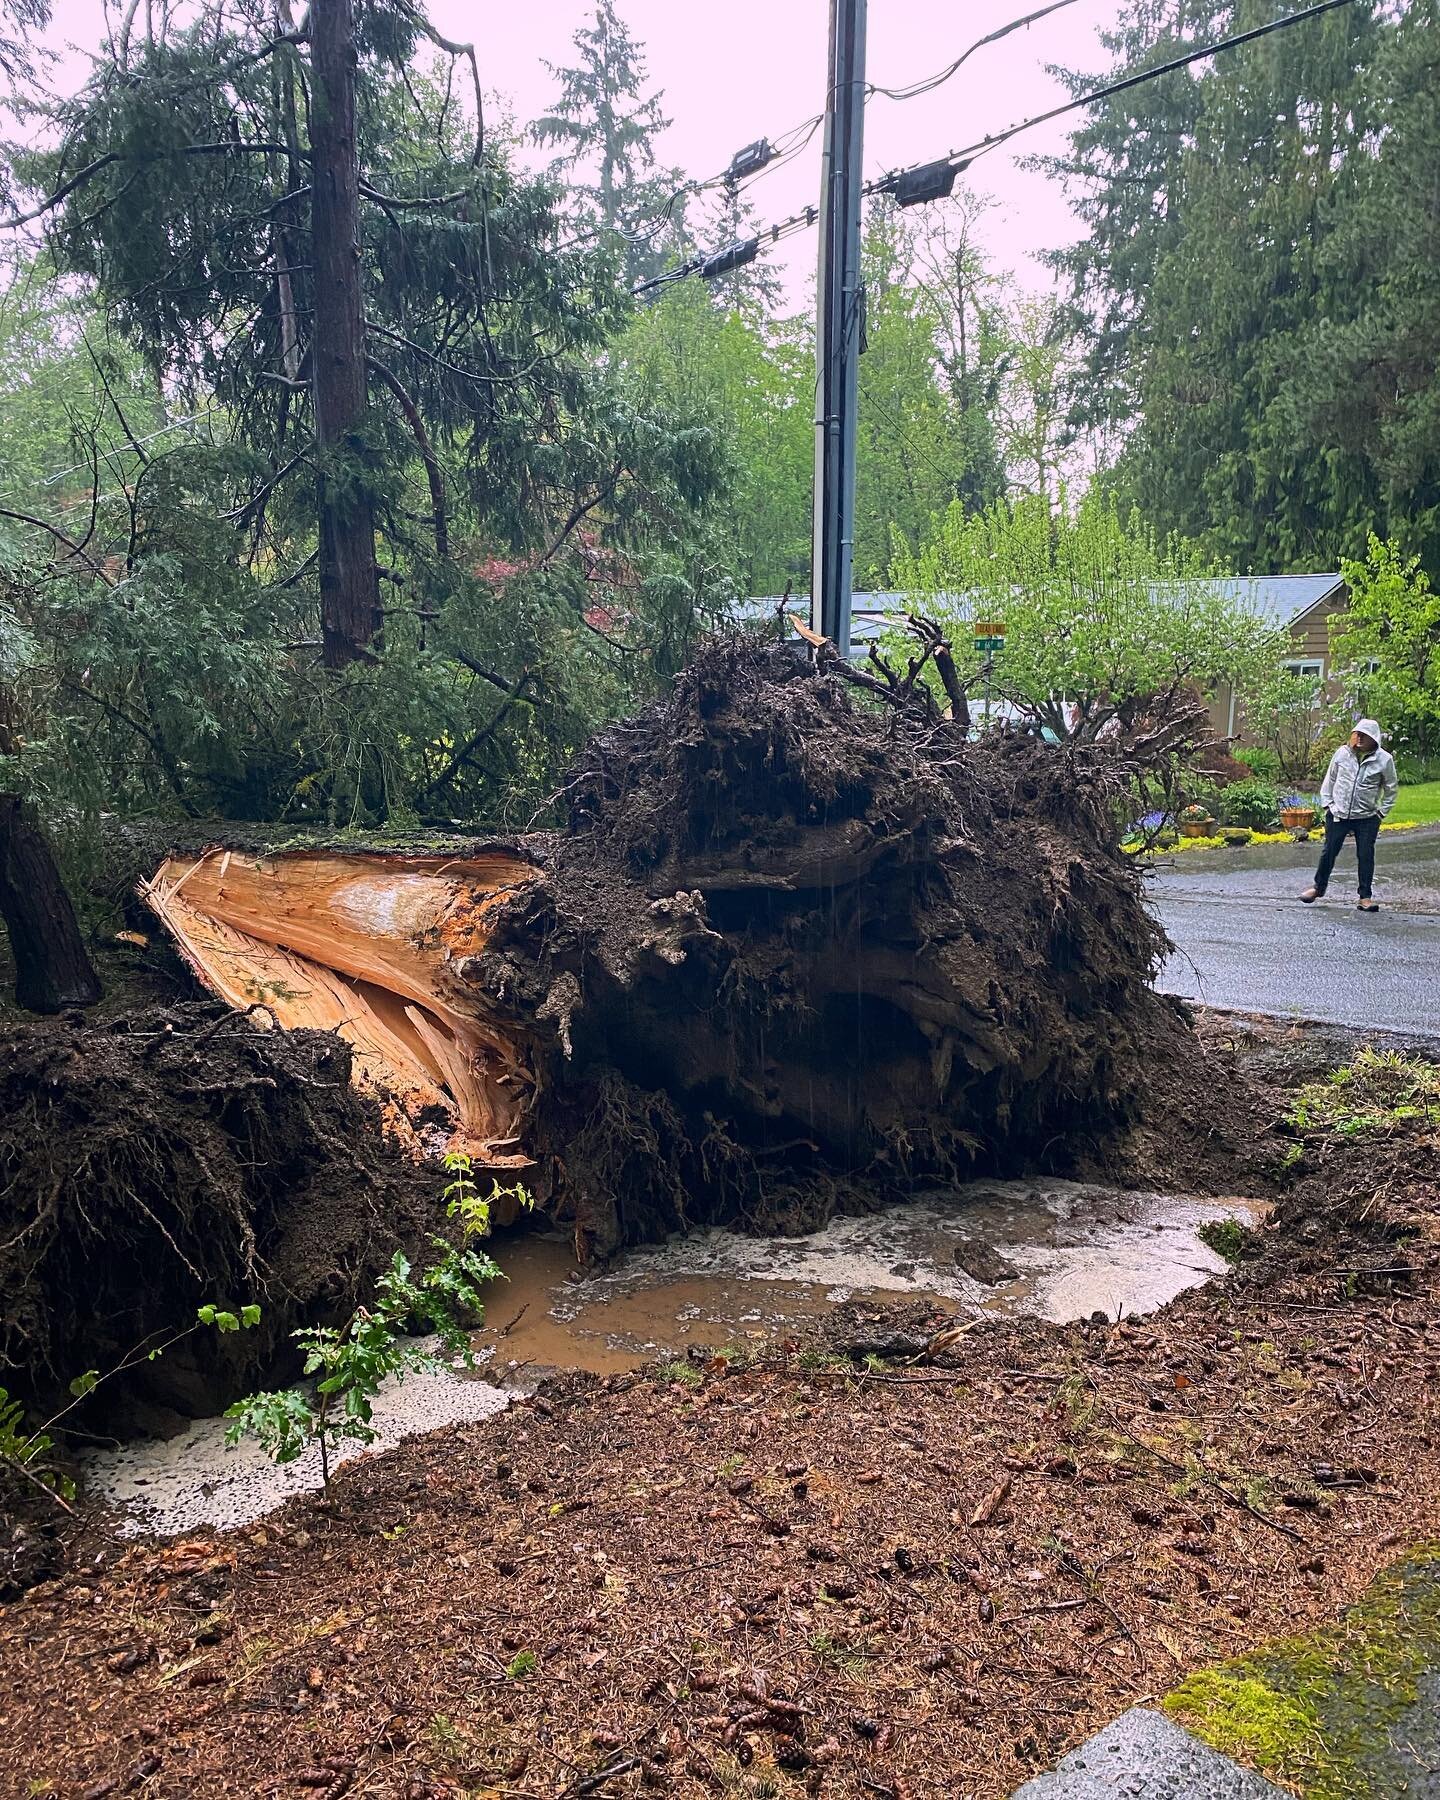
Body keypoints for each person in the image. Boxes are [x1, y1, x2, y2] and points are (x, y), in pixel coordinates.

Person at [1299, 718, 1399, 911]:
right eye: (1357, 734)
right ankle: (1318, 888)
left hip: (1367, 818)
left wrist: (1381, 813)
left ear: (1374, 738)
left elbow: (1391, 789)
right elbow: (1330, 779)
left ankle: (1365, 897)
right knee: (1329, 852)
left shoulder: (1384, 759)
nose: (1359, 738)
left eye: (1364, 735)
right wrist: (1327, 805)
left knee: (1365, 855)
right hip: (1338, 814)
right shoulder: (1342, 754)